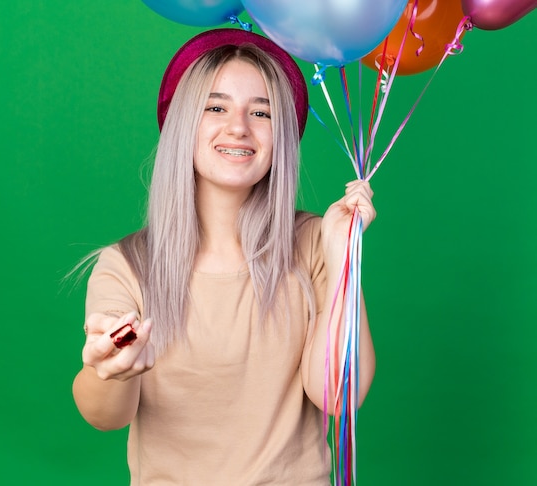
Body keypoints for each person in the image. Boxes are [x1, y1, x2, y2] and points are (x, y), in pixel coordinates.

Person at [72, 28, 376, 485]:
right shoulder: (126, 265)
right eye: (216, 107)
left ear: (282, 140)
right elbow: (105, 417)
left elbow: (336, 396)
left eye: (262, 112)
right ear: (182, 124)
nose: (239, 127)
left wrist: (342, 257)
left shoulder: (314, 242)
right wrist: (110, 367)